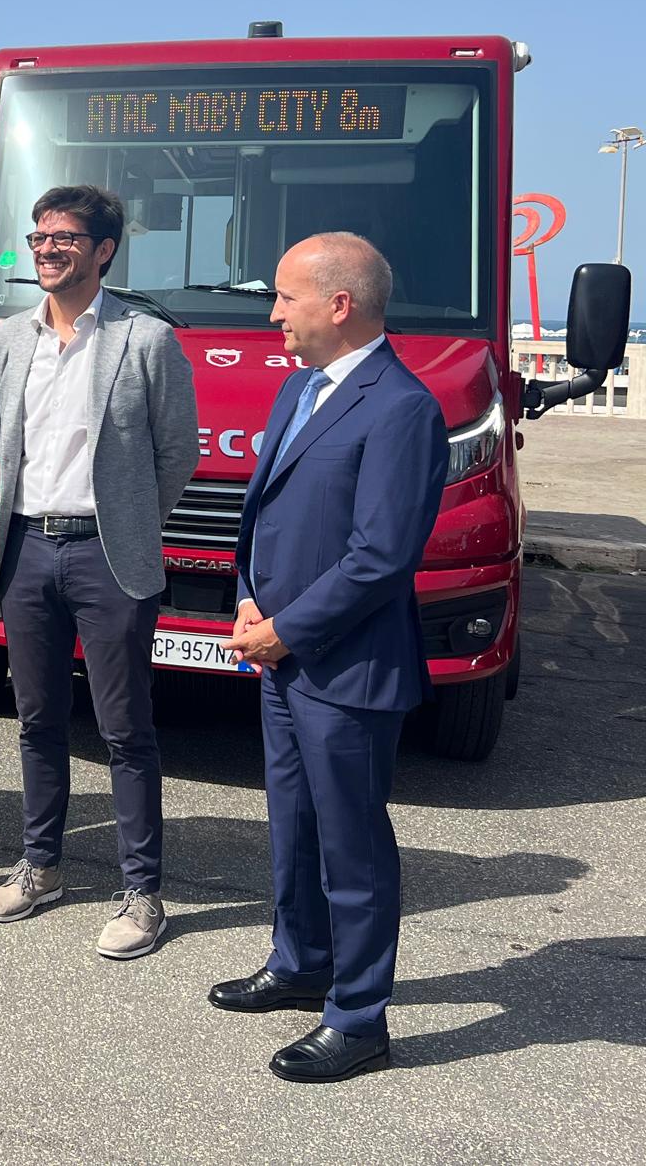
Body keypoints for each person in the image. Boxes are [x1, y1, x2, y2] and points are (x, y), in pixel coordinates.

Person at [214, 232, 448, 1083]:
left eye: (284, 296)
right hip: (284, 653)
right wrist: (247, 594)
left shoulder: (401, 407)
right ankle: (301, 961)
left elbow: (380, 556)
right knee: (295, 826)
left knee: (352, 845)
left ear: (339, 304)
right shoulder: (298, 390)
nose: (272, 313)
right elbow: (262, 513)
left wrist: (288, 628)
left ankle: (359, 1018)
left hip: (344, 666)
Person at [0, 185, 198, 957]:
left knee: (124, 728)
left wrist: (131, 523)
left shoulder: (146, 342)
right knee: (37, 720)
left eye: (65, 237)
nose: (46, 248)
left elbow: (178, 456)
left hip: (108, 556)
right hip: (27, 551)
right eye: (39, 236)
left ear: (104, 250)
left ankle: (142, 893)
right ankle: (41, 865)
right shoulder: (7, 341)